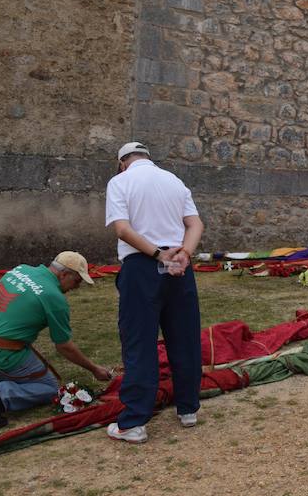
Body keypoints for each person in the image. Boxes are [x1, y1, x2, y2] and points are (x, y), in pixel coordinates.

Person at [105, 142, 205, 443]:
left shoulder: (120, 181)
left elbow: (122, 229)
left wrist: (158, 254)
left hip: (142, 265)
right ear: (148, 157)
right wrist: (185, 253)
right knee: (184, 339)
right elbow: (195, 223)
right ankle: (188, 409)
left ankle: (134, 422)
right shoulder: (174, 180)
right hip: (180, 267)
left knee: (140, 342)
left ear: (122, 162)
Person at [0, 252, 112, 428]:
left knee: (22, 367)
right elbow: (64, 346)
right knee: (48, 387)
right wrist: (94, 369)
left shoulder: (21, 269)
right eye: (77, 281)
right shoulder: (55, 299)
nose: (76, 287)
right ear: (64, 274)